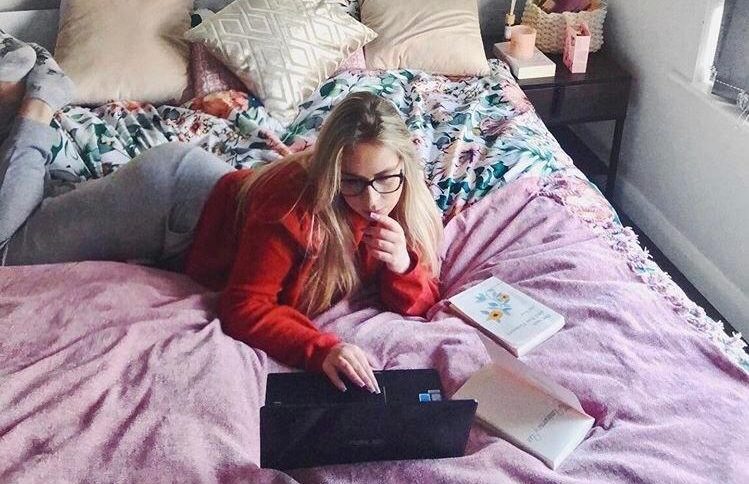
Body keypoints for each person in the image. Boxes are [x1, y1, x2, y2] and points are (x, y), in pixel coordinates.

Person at [0, 32, 443, 393]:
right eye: (351, 182)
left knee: (56, 215)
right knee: (8, 249)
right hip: (165, 202)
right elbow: (245, 306)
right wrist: (321, 349)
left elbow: (422, 301)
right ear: (329, 172)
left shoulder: (403, 197)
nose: (371, 200)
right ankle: (41, 98)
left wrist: (402, 265)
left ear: (405, 164)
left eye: (386, 179)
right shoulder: (291, 208)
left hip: (209, 199)